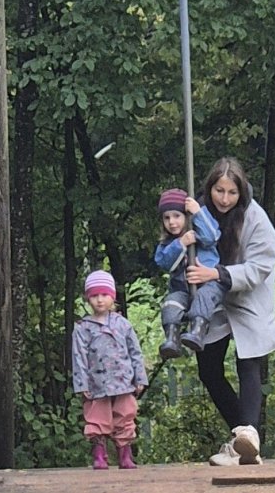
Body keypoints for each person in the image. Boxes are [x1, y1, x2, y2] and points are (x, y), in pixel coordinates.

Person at [185, 157, 275, 467]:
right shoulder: (196, 212)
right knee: (208, 369)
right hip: (212, 299)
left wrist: (217, 273)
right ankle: (244, 441)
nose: (224, 199)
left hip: (247, 295)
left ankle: (247, 436)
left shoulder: (257, 219)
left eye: (231, 193)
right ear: (209, 188)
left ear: (241, 192)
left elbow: (260, 267)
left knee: (248, 362)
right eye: (219, 191)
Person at [71, 270, 148, 470]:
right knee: (97, 419)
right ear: (88, 298)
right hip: (96, 384)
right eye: (94, 295)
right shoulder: (82, 328)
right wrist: (82, 384)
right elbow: (78, 357)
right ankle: (99, 455)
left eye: (104, 295)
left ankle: (125, 455)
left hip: (123, 382)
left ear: (112, 296)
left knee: (126, 416)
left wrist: (140, 378)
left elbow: (135, 352)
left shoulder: (123, 324)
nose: (99, 300)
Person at [153, 187, 226, 361]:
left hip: (208, 284)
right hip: (182, 290)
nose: (172, 222)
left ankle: (197, 331)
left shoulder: (200, 233)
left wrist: (198, 213)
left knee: (203, 296)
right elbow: (164, 262)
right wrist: (180, 244)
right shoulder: (167, 244)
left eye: (177, 216)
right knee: (170, 303)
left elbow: (212, 236)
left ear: (187, 217)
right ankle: (172, 338)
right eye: (167, 218)